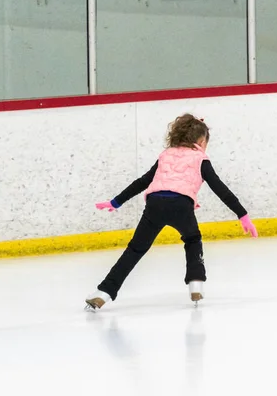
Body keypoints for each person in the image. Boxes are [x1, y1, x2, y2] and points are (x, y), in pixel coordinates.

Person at [86, 113, 257, 310]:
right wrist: (242, 215)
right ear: (201, 141)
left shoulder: (165, 156)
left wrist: (116, 202)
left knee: (134, 250)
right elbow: (220, 189)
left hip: (155, 204)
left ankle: (103, 293)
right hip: (181, 206)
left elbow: (143, 182)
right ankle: (195, 282)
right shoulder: (201, 159)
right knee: (192, 239)